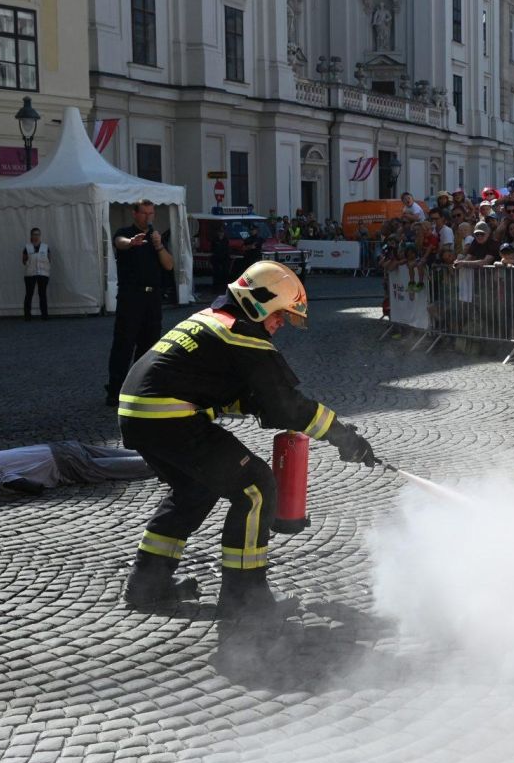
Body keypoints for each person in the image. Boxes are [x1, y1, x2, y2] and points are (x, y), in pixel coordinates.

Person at [117, 260, 382, 626]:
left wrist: (278, 409)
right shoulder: (241, 334)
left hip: (139, 415)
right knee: (255, 487)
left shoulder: (212, 319)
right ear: (260, 302)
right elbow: (286, 405)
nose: (279, 326)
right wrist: (342, 436)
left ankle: (147, 585)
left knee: (195, 488)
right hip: (168, 418)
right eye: (279, 316)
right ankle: (245, 600)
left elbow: (242, 394)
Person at [106, 201, 176, 406]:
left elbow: (169, 265)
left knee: (150, 345)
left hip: (153, 298)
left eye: (151, 213)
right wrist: (131, 242)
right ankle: (115, 389)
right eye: (144, 213)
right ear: (135, 213)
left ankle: (140, 387)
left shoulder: (157, 237)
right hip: (131, 297)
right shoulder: (125, 232)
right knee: (124, 344)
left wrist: (159, 245)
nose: (148, 217)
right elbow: (119, 241)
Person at [0, 441, 157, 496]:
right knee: (123, 455)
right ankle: (161, 452)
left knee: (128, 468)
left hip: (68, 467)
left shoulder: (3, 478)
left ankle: (171, 463)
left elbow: (34, 488)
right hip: (62, 447)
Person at [22, 227, 52, 320]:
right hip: (30, 274)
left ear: (40, 236)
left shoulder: (45, 247)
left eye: (38, 234)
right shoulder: (27, 247)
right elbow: (23, 261)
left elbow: (49, 259)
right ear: (31, 236)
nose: (36, 236)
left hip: (43, 274)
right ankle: (27, 316)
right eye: (34, 234)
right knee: (29, 294)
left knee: (42, 294)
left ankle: (44, 315)